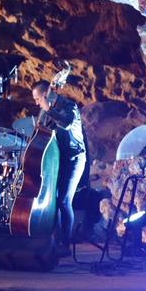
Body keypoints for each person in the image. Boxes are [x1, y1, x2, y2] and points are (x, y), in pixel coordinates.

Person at [32, 80, 87, 247]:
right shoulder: (46, 109)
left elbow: (67, 123)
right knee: (54, 200)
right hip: (58, 159)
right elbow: (40, 129)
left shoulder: (70, 106)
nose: (36, 103)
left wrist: (49, 109)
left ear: (46, 94)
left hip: (74, 159)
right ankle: (52, 240)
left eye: (37, 99)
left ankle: (66, 243)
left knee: (64, 200)